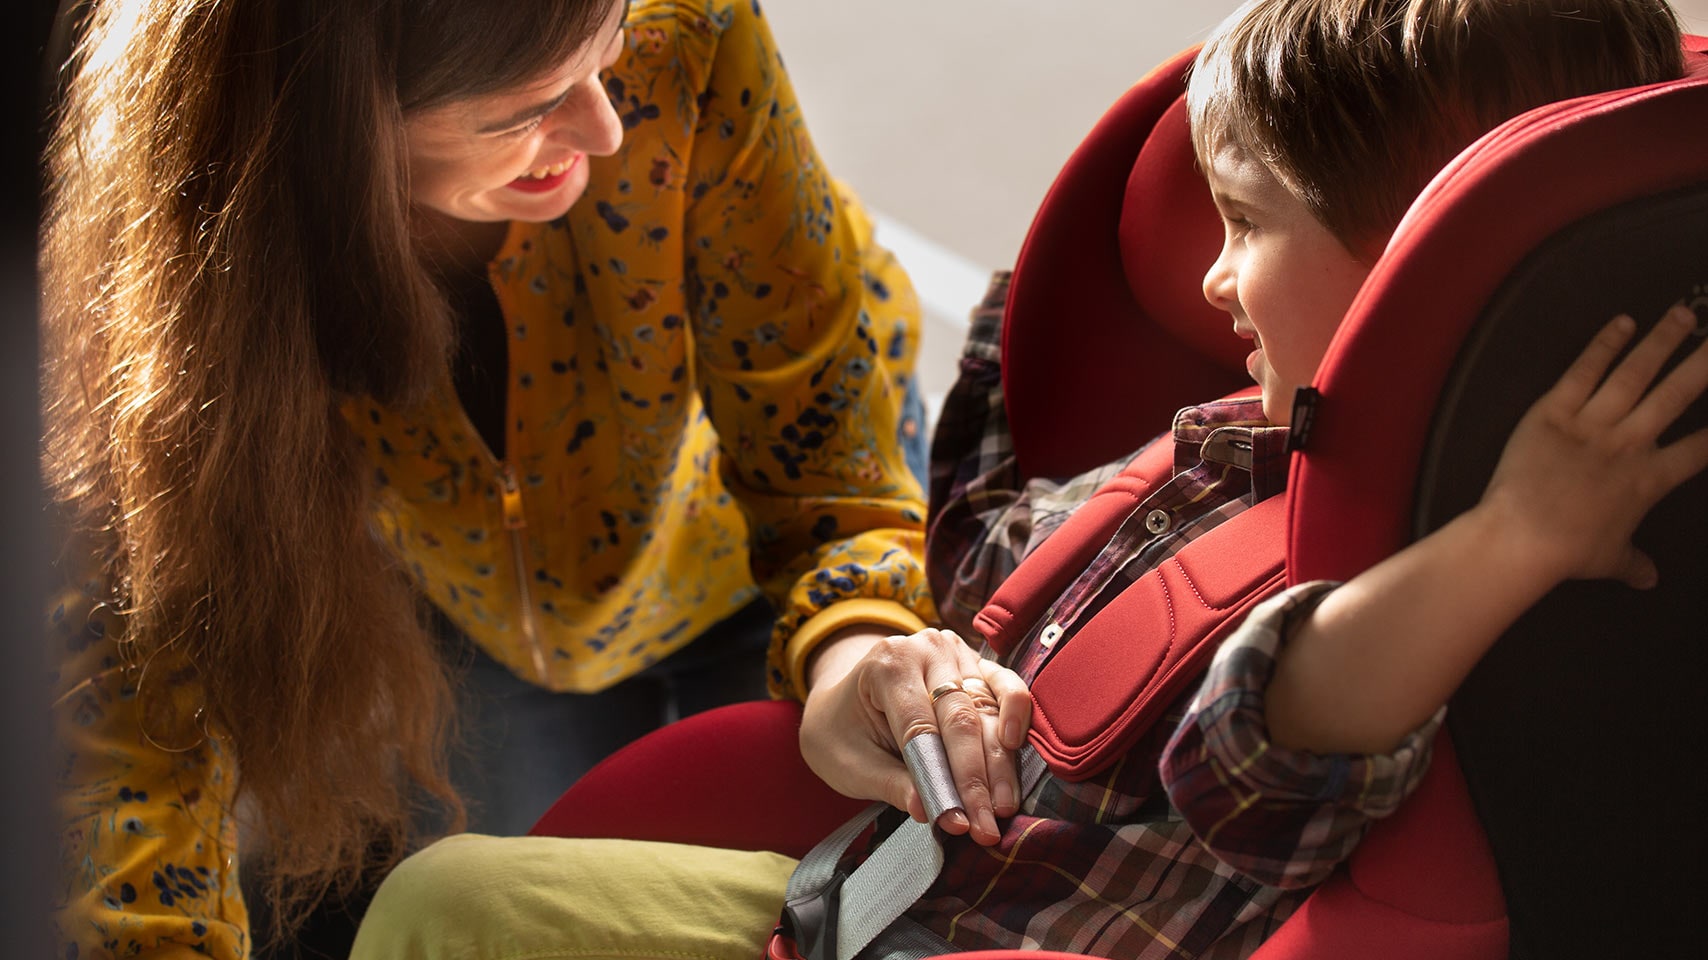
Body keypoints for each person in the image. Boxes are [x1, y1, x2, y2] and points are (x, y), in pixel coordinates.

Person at [342, 1, 1708, 959]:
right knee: (451, 888)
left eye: (1248, 227)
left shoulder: (1426, 552)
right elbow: (1016, 558)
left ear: (1422, 256)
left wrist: (1515, 538)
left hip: (990, 929)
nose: (1214, 275)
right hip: (896, 880)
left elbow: (1274, 732)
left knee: (448, 904)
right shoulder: (1252, 433)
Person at [42, 0, 944, 955]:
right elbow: (141, 697)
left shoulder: (684, 33)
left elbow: (827, 456)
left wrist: (859, 640)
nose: (605, 126)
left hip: (756, 549)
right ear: (322, 123)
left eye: (608, 51)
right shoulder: (157, 271)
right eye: (525, 109)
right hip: (481, 625)